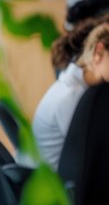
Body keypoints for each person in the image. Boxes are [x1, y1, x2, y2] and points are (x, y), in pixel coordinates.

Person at [32, 21, 109, 168]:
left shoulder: (77, 84)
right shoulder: (71, 96)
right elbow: (92, 151)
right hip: (57, 184)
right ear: (99, 51)